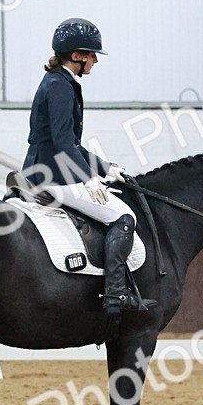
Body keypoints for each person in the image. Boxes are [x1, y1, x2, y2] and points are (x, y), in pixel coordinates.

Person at [22, 18, 156, 330]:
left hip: (51, 168)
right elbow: (63, 143)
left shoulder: (60, 82)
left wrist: (105, 168)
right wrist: (87, 178)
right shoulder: (60, 88)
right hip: (53, 174)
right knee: (124, 218)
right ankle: (115, 295)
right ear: (78, 55)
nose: (95, 61)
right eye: (92, 55)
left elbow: (73, 145)